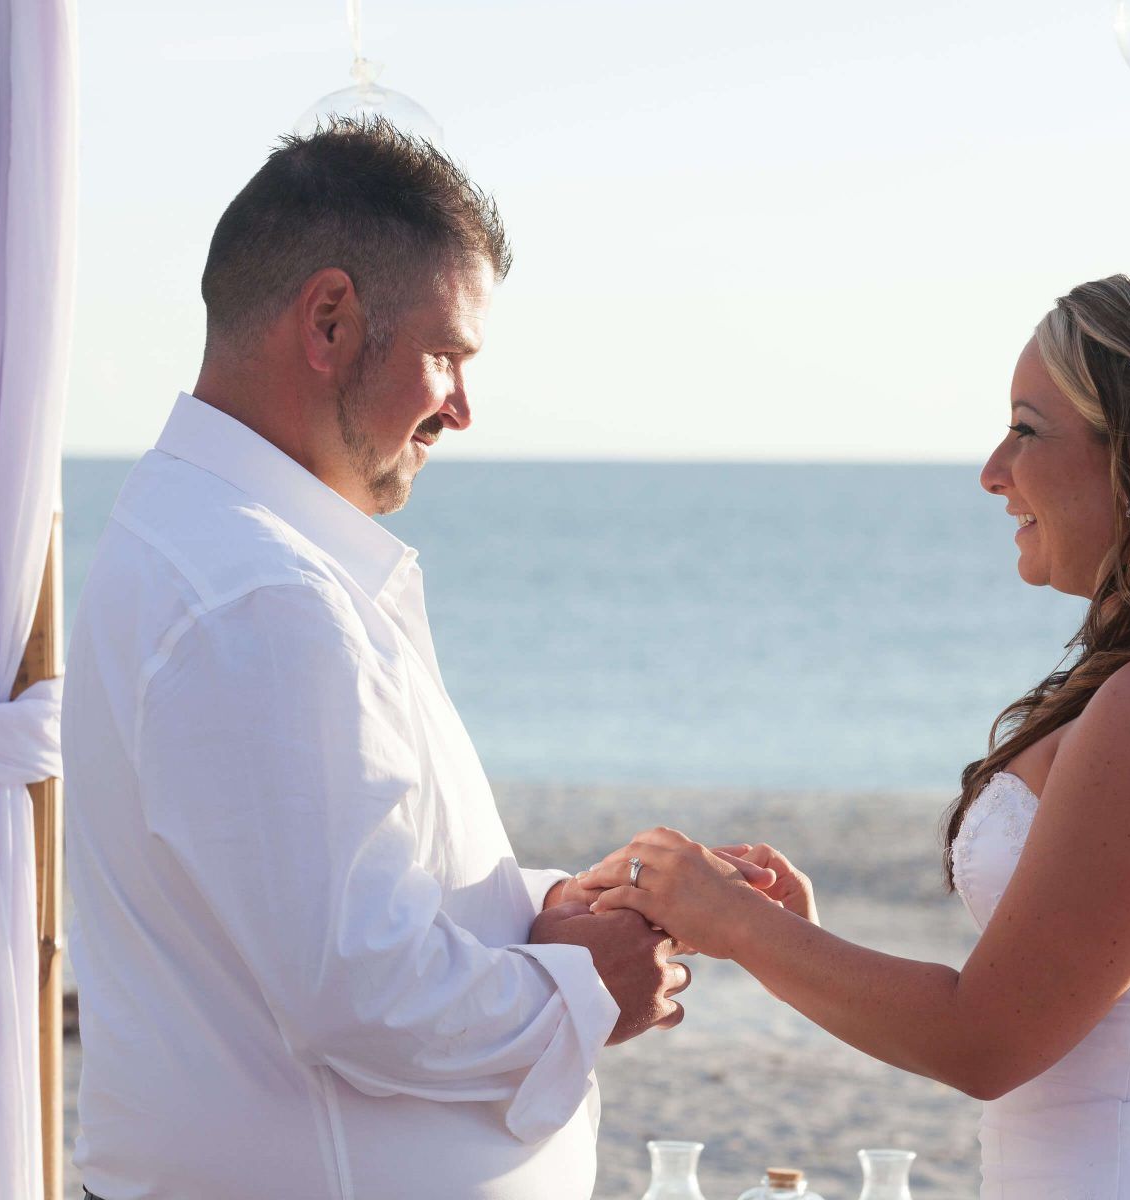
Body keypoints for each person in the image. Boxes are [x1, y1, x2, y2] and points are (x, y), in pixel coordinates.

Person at [579, 273, 1130, 1198]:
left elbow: (986, 1041)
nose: (993, 470)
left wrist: (730, 917)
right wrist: (781, 939)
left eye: (1026, 428)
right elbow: (1033, 1019)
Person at [62, 118, 706, 1199]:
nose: (462, 406)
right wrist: (585, 988)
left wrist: (557, 911)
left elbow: (320, 910)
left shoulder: (210, 543)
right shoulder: (260, 596)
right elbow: (355, 991)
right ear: (329, 318)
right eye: (446, 353)